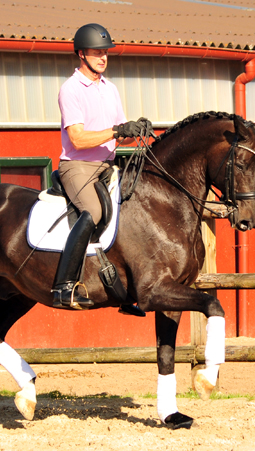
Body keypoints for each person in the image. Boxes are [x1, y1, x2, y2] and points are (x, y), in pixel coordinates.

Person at [52, 23, 149, 310]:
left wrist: (137, 130)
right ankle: (64, 286)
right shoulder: (70, 89)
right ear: (81, 54)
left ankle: (127, 286)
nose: (103, 57)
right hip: (78, 166)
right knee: (93, 211)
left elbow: (121, 136)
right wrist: (118, 131)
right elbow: (78, 138)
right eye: (97, 52)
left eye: (105, 53)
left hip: (109, 166)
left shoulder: (111, 89)